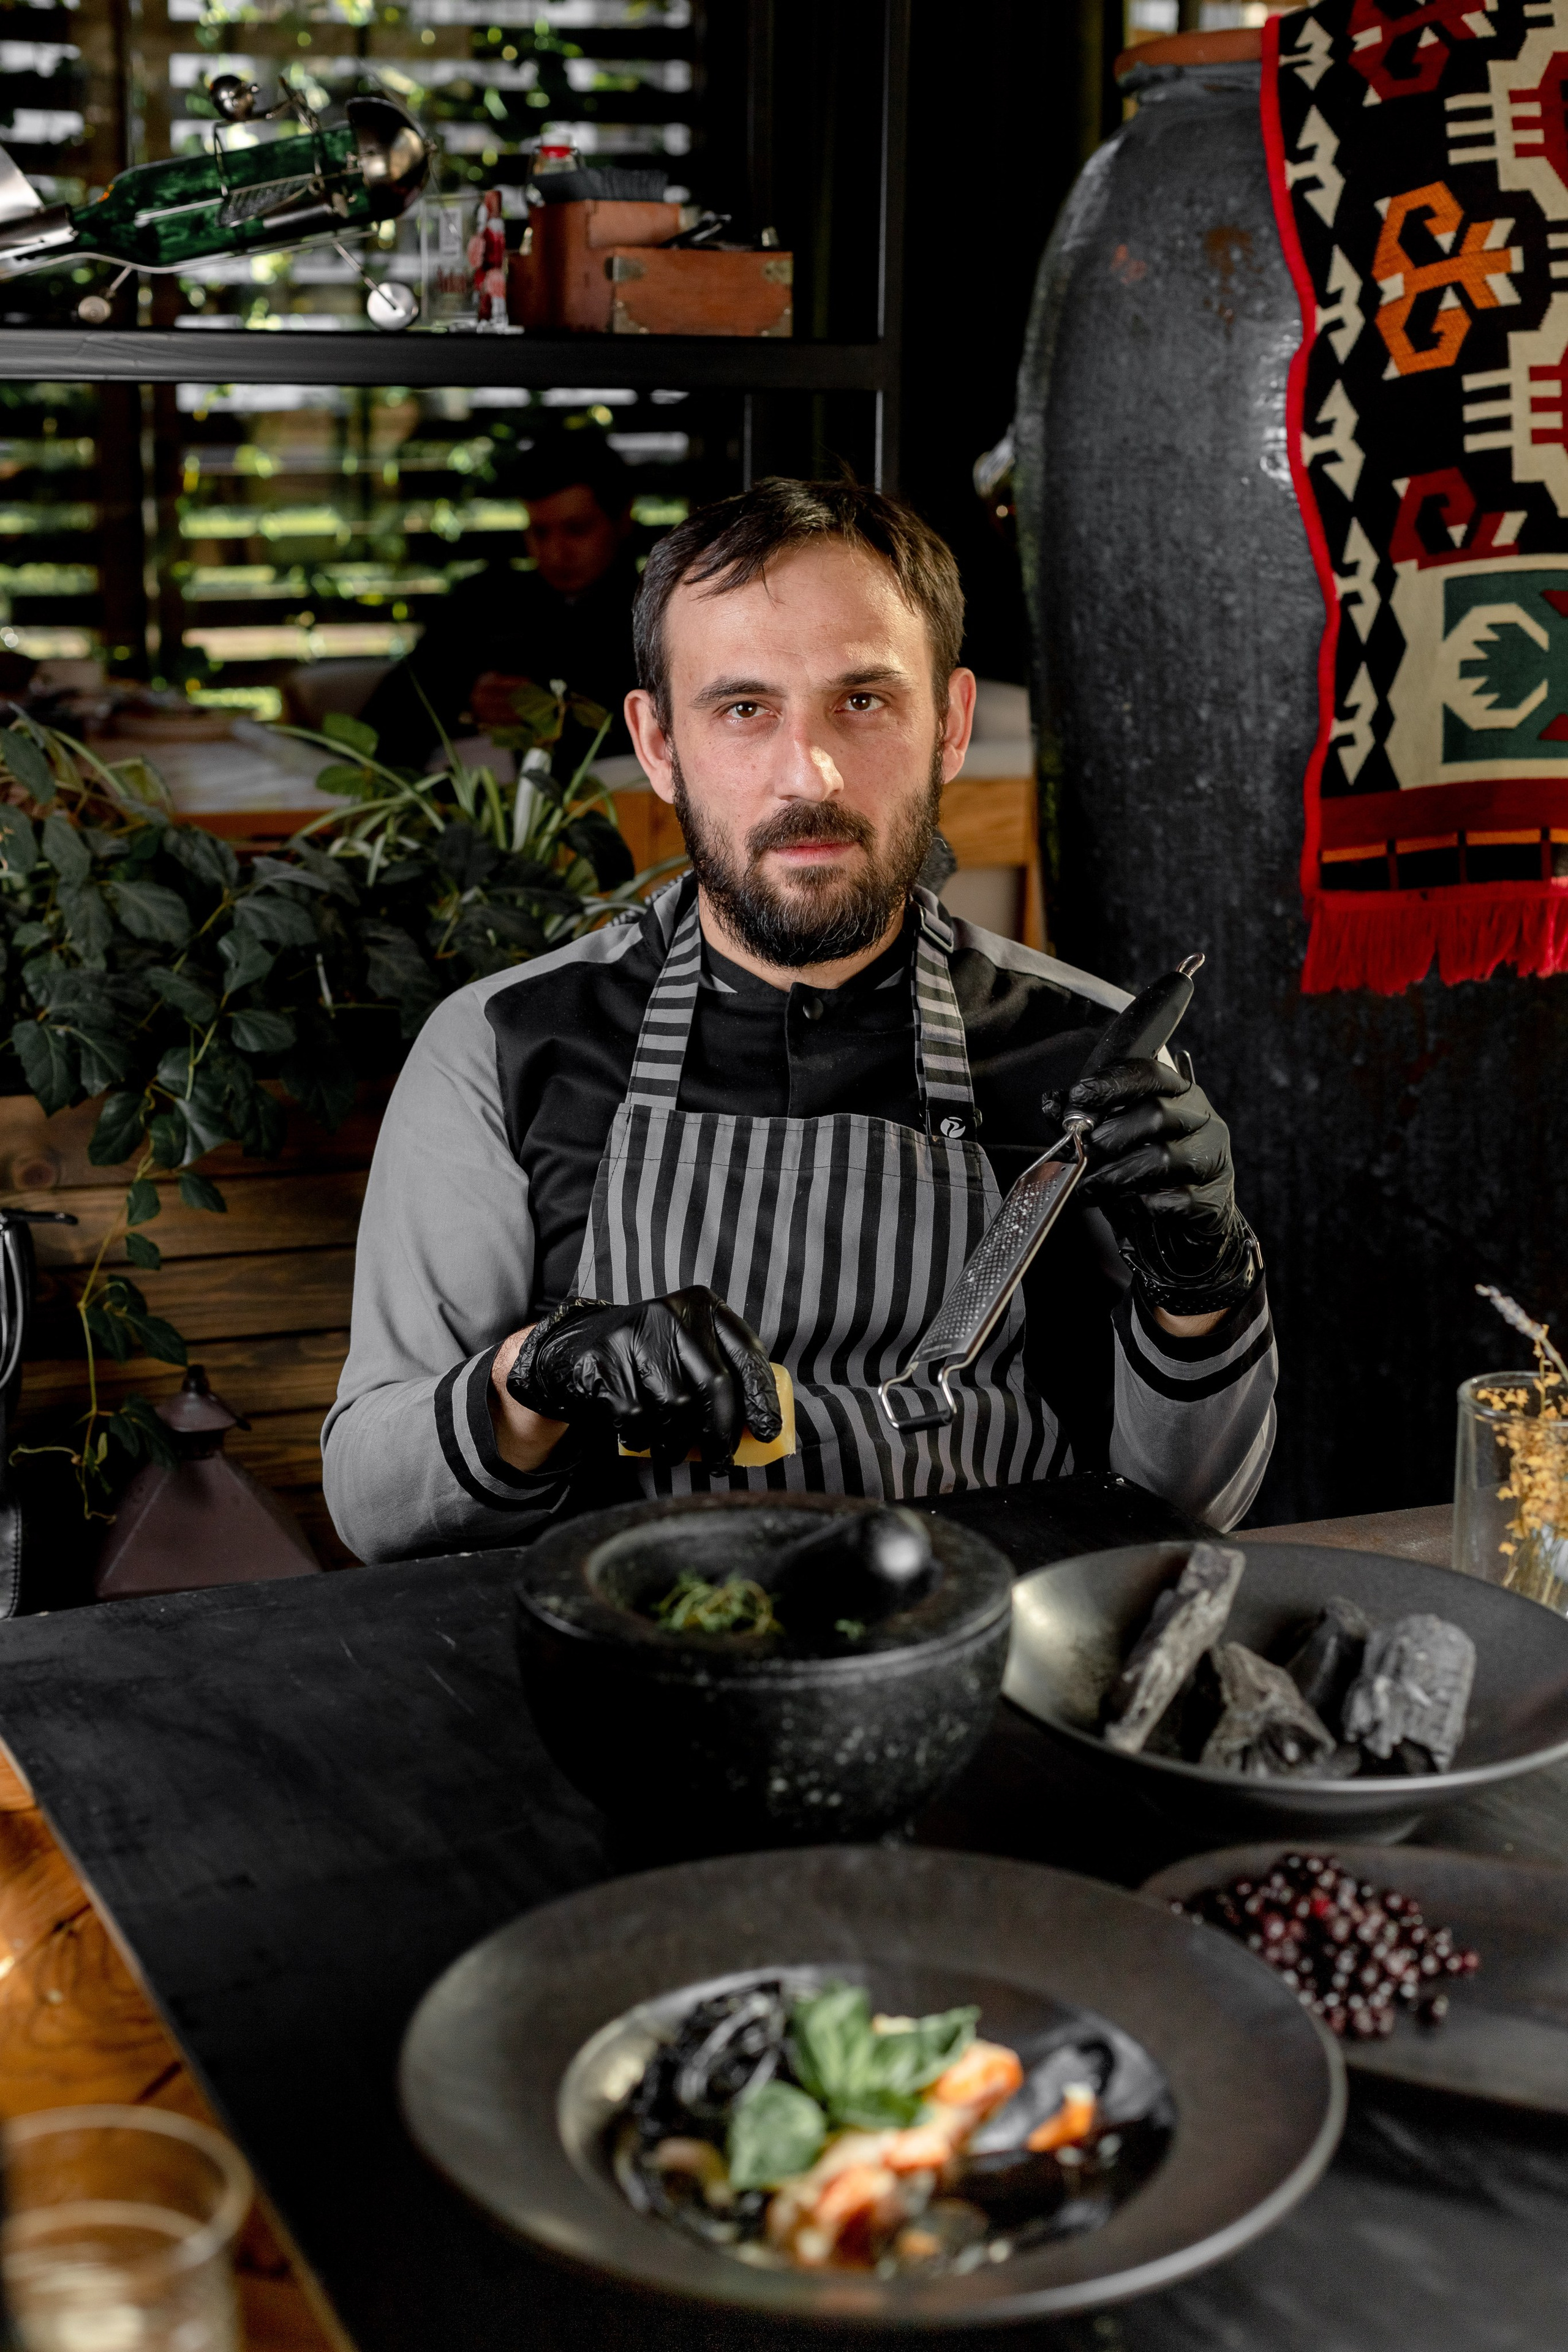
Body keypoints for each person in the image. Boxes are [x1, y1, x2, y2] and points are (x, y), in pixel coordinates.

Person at [323, 478, 1276, 1563]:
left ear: (950, 724)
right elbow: (371, 1505)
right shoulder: (498, 1049)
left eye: (863, 702)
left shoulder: (1095, 1053)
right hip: (623, 1671)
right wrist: (537, 1376)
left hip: (995, 1668)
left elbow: (1194, 1508)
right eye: (743, 708)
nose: (808, 773)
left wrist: (1199, 1283)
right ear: (659, 742)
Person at [358, 435, 642, 768]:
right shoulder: (482, 604)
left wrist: (550, 717)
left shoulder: (656, 616)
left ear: (622, 520)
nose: (555, 552)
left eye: (577, 529)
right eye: (540, 532)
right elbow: (382, 720)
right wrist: (466, 704)